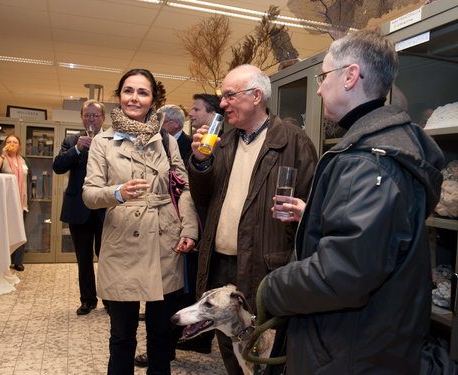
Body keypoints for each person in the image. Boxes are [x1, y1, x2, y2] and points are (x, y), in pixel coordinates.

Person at [260, 30, 445, 374]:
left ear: (350, 76)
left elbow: (343, 273)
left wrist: (271, 288)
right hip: (369, 340)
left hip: (352, 351)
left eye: (323, 76)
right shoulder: (381, 147)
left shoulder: (369, 160)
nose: (317, 88)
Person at [187, 64, 318, 374]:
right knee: (229, 345)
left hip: (265, 267)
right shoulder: (225, 143)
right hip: (220, 264)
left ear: (256, 96)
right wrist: (201, 163)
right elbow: (204, 200)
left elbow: (311, 212)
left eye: (230, 95)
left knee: (263, 351)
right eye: (223, 97)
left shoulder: (294, 142)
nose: (222, 104)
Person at [82, 68, 198, 375]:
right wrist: (117, 192)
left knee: (160, 336)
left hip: (164, 241)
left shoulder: (167, 141)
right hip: (122, 242)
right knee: (122, 336)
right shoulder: (103, 143)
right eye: (128, 90)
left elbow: (181, 186)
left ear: (153, 100)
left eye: (142, 92)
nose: (135, 97)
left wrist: (189, 228)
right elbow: (90, 195)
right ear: (119, 96)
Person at [52, 99, 107, 315]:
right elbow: (58, 167)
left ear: (103, 118)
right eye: (87, 115)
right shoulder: (71, 140)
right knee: (83, 259)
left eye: (95, 115)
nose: (91, 119)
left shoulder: (112, 141)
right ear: (81, 118)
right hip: (79, 209)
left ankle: (110, 301)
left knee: (107, 258)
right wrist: (76, 149)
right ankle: (88, 300)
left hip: (105, 208)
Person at [0, 134, 31, 272]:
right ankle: (3, 260)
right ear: (4, 144)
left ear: (19, 146)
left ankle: (18, 261)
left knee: (20, 231)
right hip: (4, 202)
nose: (12, 144)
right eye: (9, 142)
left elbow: (28, 179)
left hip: (21, 201)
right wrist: (3, 155)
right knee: (4, 232)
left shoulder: (24, 160)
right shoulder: (0, 157)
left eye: (15, 142)